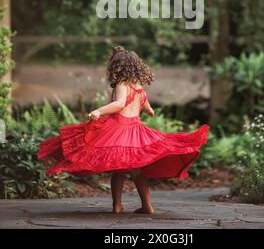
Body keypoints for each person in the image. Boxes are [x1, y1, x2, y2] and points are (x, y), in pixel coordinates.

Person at [38, 46, 209, 214]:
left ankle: (117, 206)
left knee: (118, 170)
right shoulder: (139, 87)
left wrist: (99, 111)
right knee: (137, 171)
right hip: (136, 131)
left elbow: (119, 104)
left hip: (119, 130)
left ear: (118, 67)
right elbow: (148, 107)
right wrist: (147, 110)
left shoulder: (121, 84)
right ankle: (147, 206)